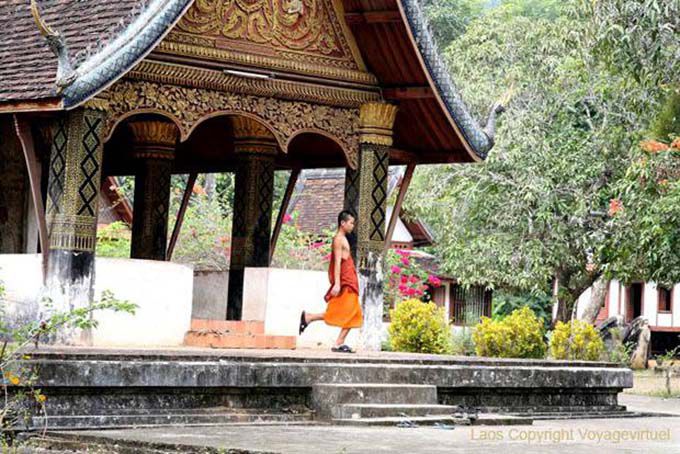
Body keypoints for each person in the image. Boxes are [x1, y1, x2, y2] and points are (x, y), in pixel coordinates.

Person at [299, 210, 363, 353]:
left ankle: (309, 317)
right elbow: (338, 262)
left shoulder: (344, 238)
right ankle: (338, 343)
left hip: (349, 279)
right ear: (343, 223)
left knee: (349, 312)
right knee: (354, 313)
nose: (353, 226)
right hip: (345, 281)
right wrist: (337, 283)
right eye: (351, 223)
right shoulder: (338, 239)